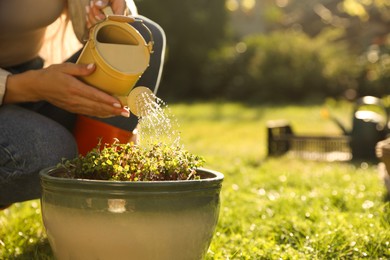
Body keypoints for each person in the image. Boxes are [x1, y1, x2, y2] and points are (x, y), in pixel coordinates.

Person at [0, 0, 165, 208]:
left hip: (37, 74)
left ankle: (91, 204)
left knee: (145, 35)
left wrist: (107, 8)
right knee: (51, 151)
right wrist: (27, 86)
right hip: (24, 86)